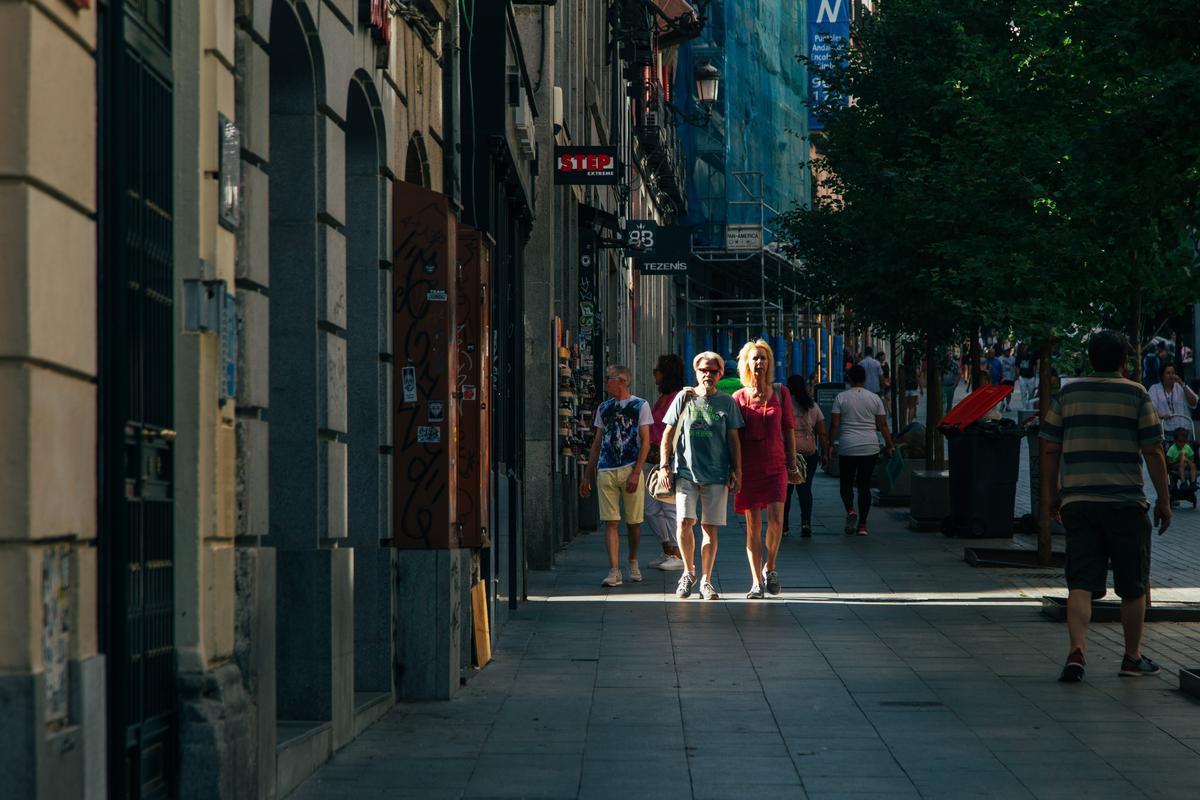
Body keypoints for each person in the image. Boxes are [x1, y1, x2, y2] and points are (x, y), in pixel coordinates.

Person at [1040, 330, 1170, 683]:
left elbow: (1050, 447)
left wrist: (1052, 495)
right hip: (1126, 502)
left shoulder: (1068, 394)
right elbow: (1154, 451)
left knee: (1080, 582)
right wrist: (1164, 499)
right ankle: (1131, 658)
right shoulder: (1137, 394)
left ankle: (1077, 651)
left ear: (1090, 359)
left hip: (1078, 502)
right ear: (1125, 362)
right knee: (1132, 585)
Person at [658, 352, 744, 601]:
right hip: (686, 472)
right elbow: (667, 434)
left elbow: (734, 440)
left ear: (720, 374)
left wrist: (737, 470)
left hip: (717, 474)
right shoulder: (684, 398)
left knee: (709, 528)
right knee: (684, 522)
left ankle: (706, 579)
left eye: (713, 371)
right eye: (704, 370)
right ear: (696, 373)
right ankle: (688, 572)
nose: (708, 375)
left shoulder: (727, 403)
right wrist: (665, 466)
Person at [732, 340, 797, 598]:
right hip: (748, 469)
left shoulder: (781, 393)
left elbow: (789, 428)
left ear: (769, 363)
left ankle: (771, 567)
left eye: (763, 358)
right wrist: (734, 470)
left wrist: (792, 461)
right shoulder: (738, 398)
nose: (759, 362)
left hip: (776, 465)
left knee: (777, 520)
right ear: (746, 364)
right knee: (752, 526)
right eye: (754, 358)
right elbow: (733, 437)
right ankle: (755, 581)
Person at [579, 364, 653, 587]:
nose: (606, 381)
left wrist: (637, 471)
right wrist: (587, 475)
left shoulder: (640, 405)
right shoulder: (603, 408)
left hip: (630, 467)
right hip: (606, 468)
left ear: (622, 380)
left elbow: (646, 441)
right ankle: (614, 569)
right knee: (611, 521)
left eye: (609, 378)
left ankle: (632, 560)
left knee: (634, 522)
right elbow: (597, 442)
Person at [829, 364, 896, 536]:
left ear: (850, 378)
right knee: (864, 486)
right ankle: (863, 525)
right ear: (865, 379)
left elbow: (835, 424)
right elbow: (882, 425)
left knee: (846, 483)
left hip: (847, 447)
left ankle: (850, 510)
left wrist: (829, 444)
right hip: (869, 447)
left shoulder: (841, 397)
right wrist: (890, 444)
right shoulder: (874, 398)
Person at [644, 354, 686, 571]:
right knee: (651, 508)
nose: (654, 374)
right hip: (654, 456)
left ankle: (678, 554)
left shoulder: (676, 398)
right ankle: (667, 548)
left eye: (657, 370)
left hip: (668, 458)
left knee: (668, 507)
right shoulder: (664, 397)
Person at [783, 374, 828, 538]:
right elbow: (822, 433)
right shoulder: (812, 406)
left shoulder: (783, 405)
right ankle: (806, 523)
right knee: (805, 489)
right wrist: (825, 453)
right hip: (809, 452)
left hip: (788, 452)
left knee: (786, 491)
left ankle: (784, 526)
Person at [1148, 363, 1197, 442]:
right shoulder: (1155, 388)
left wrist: (1182, 383)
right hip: (1164, 429)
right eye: (1168, 373)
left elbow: (1194, 402)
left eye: (1173, 373)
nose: (1171, 376)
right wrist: (1161, 416)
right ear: (1162, 375)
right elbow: (1149, 407)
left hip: (1183, 429)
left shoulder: (1181, 387)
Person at [1016, 345, 1039, 411]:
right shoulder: (1019, 356)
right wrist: (1018, 376)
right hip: (1022, 377)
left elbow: (1034, 365)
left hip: (1031, 377)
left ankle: (1030, 406)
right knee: (1023, 393)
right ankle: (1024, 407)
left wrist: (1034, 376)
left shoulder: (1032, 356)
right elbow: (1017, 366)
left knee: (1031, 393)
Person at [942, 349, 961, 414]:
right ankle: (944, 415)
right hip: (943, 385)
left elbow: (958, 374)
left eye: (950, 354)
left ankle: (948, 414)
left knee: (949, 402)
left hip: (951, 385)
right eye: (947, 354)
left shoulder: (955, 364)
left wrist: (955, 384)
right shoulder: (942, 364)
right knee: (943, 402)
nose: (949, 356)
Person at [998, 347, 1017, 411]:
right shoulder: (1000, 359)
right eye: (1007, 351)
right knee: (1002, 392)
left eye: (1009, 351)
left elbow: (1015, 368)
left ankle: (1008, 405)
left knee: (1009, 392)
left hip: (1011, 378)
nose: (1008, 352)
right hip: (1003, 378)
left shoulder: (1013, 359)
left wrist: (1016, 376)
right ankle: (1002, 403)